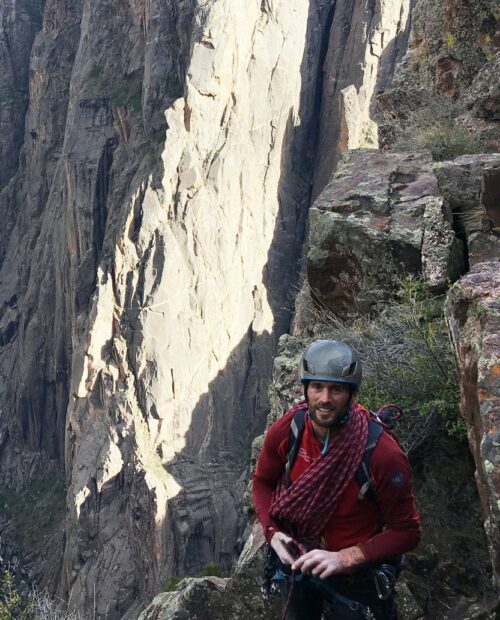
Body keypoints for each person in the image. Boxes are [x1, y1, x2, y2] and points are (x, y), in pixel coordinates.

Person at [253, 340, 421, 619]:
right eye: (317, 387)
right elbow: (262, 482)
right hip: (299, 558)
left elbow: (407, 532)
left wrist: (345, 557)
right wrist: (272, 534)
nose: (325, 399)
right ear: (305, 390)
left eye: (336, 389)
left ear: (352, 396)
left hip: (356, 574)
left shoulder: (382, 455)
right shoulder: (288, 431)